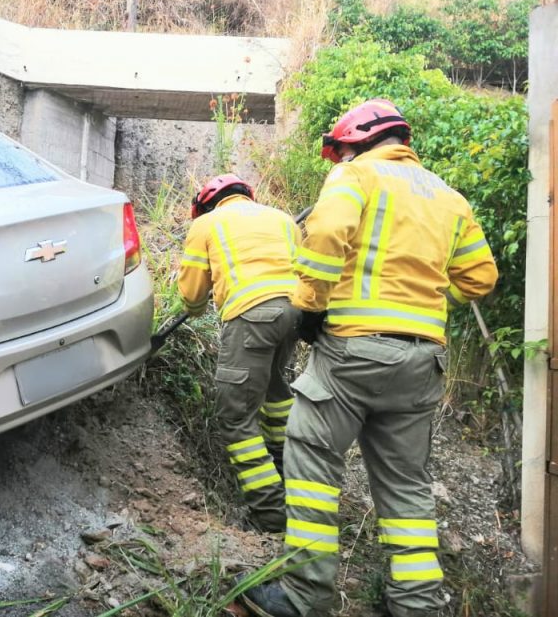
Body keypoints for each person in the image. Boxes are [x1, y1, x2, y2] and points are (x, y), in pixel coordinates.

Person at [240, 99, 499, 617]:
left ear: (356, 142)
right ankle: (418, 604)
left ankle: (303, 595)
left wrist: (310, 305)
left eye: (341, 152)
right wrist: (420, 305)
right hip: (422, 361)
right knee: (407, 487)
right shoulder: (450, 197)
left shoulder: (354, 176)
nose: (339, 159)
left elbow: (326, 236)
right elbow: (480, 278)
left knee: (312, 463)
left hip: (352, 352)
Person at [177, 174, 301, 532]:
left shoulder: (205, 224)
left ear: (205, 204)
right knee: (275, 392)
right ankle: (286, 472)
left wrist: (199, 305)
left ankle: (270, 514)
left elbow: (192, 295)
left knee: (234, 415)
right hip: (295, 314)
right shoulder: (281, 218)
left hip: (251, 317)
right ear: (247, 195)